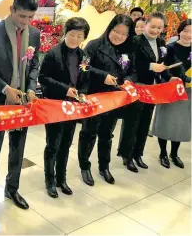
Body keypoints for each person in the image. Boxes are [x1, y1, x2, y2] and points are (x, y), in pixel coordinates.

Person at [0, 0, 40, 218]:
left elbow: (34, 65)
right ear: (12, 10)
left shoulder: (34, 34)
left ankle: (12, 189)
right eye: (22, 16)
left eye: (30, 18)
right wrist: (6, 88)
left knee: (18, 148)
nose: (25, 22)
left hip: (23, 102)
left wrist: (31, 88)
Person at [39, 17, 117, 198]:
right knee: (53, 144)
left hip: (73, 108)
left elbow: (85, 77)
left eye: (79, 36)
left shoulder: (83, 56)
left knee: (66, 143)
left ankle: (61, 179)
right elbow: (43, 78)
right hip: (56, 105)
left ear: (84, 38)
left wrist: (81, 92)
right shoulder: (53, 53)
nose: (74, 39)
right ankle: (49, 180)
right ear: (66, 33)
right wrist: (65, 89)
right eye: (72, 34)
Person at [77, 14, 140, 186]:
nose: (118, 36)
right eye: (116, 31)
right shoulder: (95, 45)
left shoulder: (128, 49)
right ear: (110, 28)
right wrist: (102, 76)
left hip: (115, 99)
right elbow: (83, 67)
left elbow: (133, 70)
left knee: (107, 133)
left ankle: (104, 166)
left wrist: (129, 80)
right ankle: (85, 166)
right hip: (95, 97)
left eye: (123, 34)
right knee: (89, 133)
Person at [119, 12, 167, 172]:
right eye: (152, 26)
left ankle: (138, 154)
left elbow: (163, 62)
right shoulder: (135, 41)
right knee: (132, 122)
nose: (155, 30)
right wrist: (149, 66)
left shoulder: (161, 42)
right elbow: (128, 63)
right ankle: (127, 155)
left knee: (145, 122)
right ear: (145, 24)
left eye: (159, 27)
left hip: (153, 88)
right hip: (137, 86)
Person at [152, 19, 191, 169]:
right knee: (165, 121)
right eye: (186, 31)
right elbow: (161, 68)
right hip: (169, 89)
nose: (188, 35)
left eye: (191, 32)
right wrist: (168, 78)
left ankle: (174, 153)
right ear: (179, 31)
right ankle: (163, 153)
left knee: (180, 123)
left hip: (187, 91)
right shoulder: (168, 48)